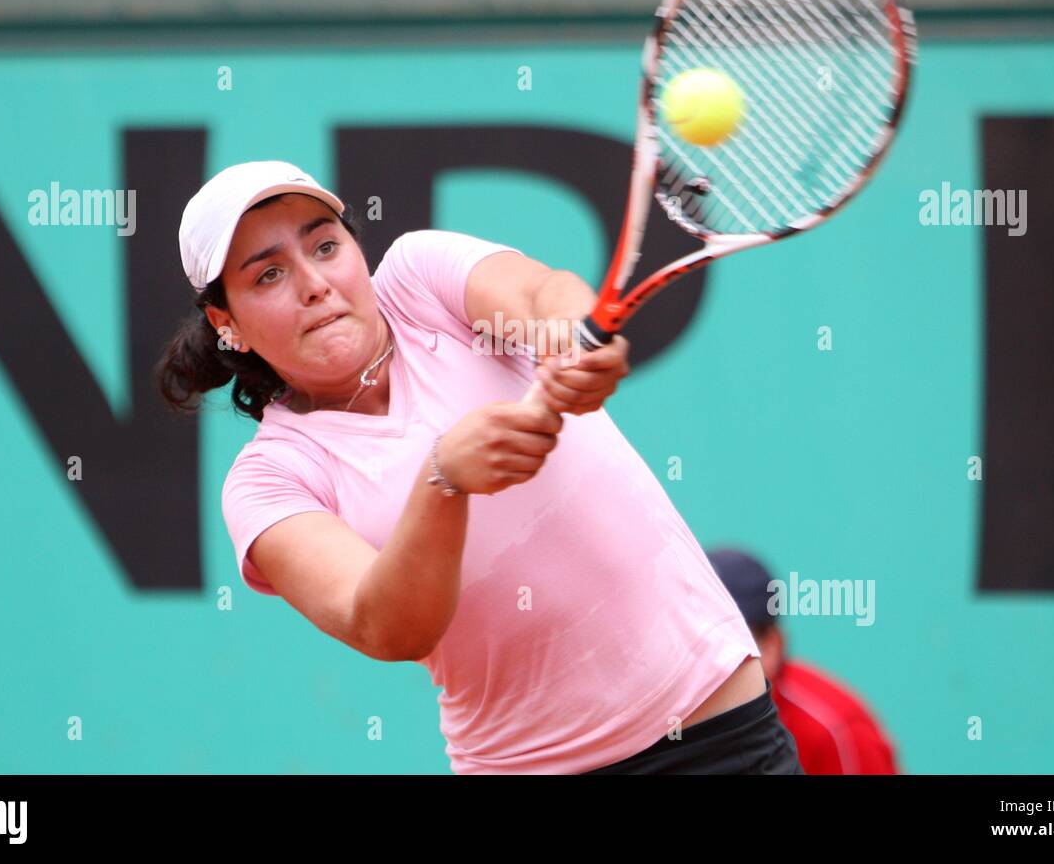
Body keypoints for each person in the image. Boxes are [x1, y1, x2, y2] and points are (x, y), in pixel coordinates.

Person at [157, 159, 802, 774]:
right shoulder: (270, 480)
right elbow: (382, 625)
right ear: (226, 322)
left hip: (720, 731)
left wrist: (565, 339)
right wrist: (444, 482)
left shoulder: (420, 278)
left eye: (324, 246)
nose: (314, 283)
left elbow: (542, 292)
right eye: (268, 275)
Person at [707, 547, 901, 774]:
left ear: (772, 646)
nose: (706, 661)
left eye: (723, 644)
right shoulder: (672, 719)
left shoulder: (835, 731)